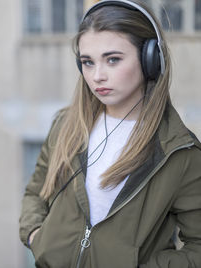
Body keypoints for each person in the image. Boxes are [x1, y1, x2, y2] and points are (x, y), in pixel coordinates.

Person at [19, 0, 201, 267]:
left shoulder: (178, 152)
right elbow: (36, 191)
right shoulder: (66, 125)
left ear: (149, 58)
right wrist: (37, 236)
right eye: (88, 62)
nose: (97, 76)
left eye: (112, 59)